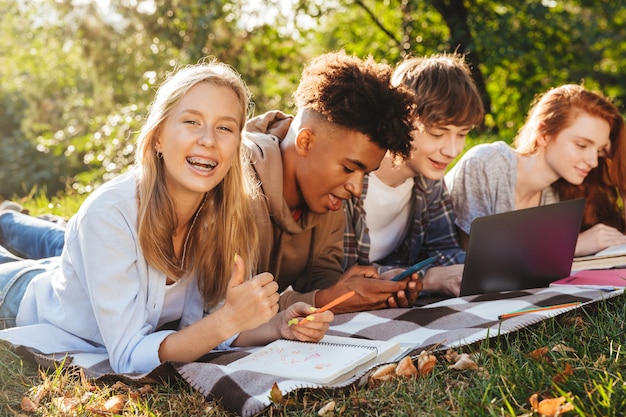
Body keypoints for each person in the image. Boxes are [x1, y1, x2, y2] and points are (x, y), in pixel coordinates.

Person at [0, 60, 332, 374]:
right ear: (159, 135)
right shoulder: (109, 213)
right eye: (191, 121)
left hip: (80, 278)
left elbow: (211, 325)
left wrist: (275, 324)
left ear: (236, 146)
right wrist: (229, 320)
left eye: (225, 128)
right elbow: (129, 357)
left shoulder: (224, 215)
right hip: (23, 299)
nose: (208, 140)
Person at [244, 51, 419, 314]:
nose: (356, 189)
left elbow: (320, 280)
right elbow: (225, 304)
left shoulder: (327, 198)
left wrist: (361, 290)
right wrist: (322, 301)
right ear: (305, 142)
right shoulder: (238, 180)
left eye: (366, 174)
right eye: (349, 168)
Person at [343, 53, 484, 298]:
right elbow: (334, 273)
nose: (451, 150)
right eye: (437, 133)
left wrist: (479, 268)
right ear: (402, 120)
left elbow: (444, 248)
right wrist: (427, 279)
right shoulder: (349, 177)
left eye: (462, 134)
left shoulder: (430, 181)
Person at [445, 83, 626, 256]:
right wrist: (572, 244)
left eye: (600, 150)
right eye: (581, 145)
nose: (594, 161)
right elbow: (474, 256)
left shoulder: (554, 198)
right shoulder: (486, 164)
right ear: (544, 135)